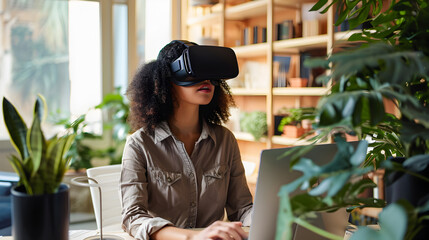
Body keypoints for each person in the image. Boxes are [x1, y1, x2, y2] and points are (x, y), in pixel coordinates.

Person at [120, 40, 253, 240]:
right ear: (167, 80)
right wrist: (192, 238)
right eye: (196, 71)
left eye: (210, 73)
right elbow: (133, 217)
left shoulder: (225, 141)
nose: (206, 79)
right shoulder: (140, 144)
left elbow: (242, 208)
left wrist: (273, 218)